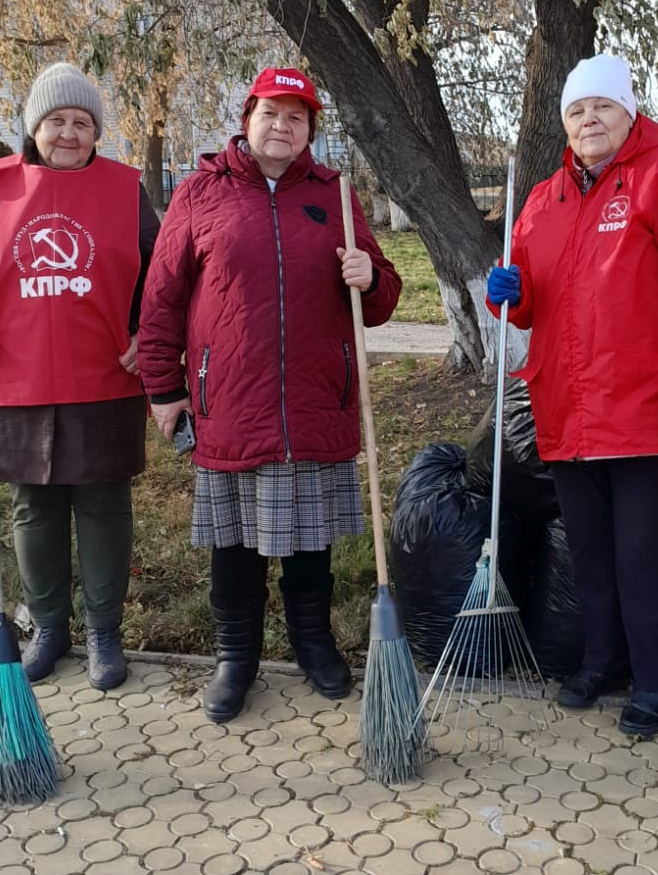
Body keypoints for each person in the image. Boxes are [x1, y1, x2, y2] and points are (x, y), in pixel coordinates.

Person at [138, 67, 402, 724]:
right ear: (247, 117)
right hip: (230, 403)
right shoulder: (201, 193)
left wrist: (370, 275)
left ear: (310, 129)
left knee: (311, 544)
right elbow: (162, 300)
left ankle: (314, 642)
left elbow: (383, 301)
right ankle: (237, 657)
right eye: (271, 113)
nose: (282, 126)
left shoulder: (335, 194)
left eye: (297, 117)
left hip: (317, 401)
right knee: (234, 545)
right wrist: (165, 387)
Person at [486, 54, 658, 738]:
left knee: (643, 552)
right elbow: (533, 302)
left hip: (645, 406)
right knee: (589, 550)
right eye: (576, 110)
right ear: (563, 123)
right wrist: (510, 293)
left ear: (630, 111)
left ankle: (657, 681)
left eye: (602, 107)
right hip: (567, 407)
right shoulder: (543, 199)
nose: (589, 119)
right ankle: (603, 660)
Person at [0, 63, 160, 690]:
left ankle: (105, 634)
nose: (69, 133)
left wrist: (148, 332)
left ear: (96, 132)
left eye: (82, 123)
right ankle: (51, 629)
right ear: (34, 127)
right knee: (35, 506)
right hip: (16, 377)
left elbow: (159, 274)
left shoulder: (125, 189)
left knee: (105, 503)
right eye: (57, 120)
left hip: (104, 375)